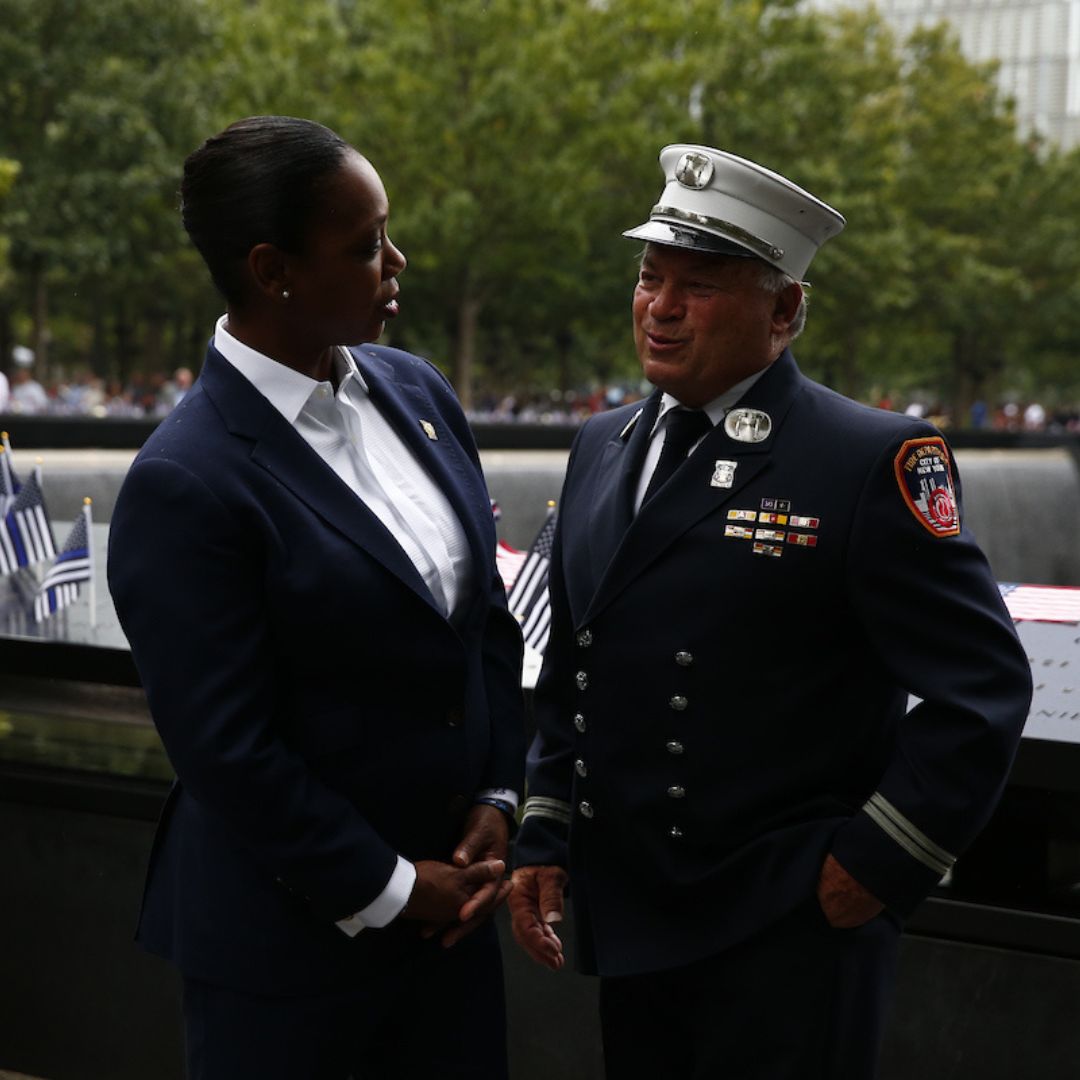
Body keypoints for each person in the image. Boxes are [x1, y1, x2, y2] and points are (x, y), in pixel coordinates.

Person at [509, 145, 1032, 1079]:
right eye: (649, 277)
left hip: (786, 927)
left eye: (699, 287)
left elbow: (983, 691)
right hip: (631, 917)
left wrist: (874, 865)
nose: (660, 308)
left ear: (785, 310)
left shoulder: (868, 459)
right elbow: (577, 668)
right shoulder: (601, 445)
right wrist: (547, 831)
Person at [107, 116, 525, 1080]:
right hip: (288, 956)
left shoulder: (418, 388)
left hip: (452, 927)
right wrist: (390, 885)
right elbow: (227, 749)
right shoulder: (188, 480)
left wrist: (500, 793)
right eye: (367, 243)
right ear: (272, 269)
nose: (398, 260)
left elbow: (481, 625)